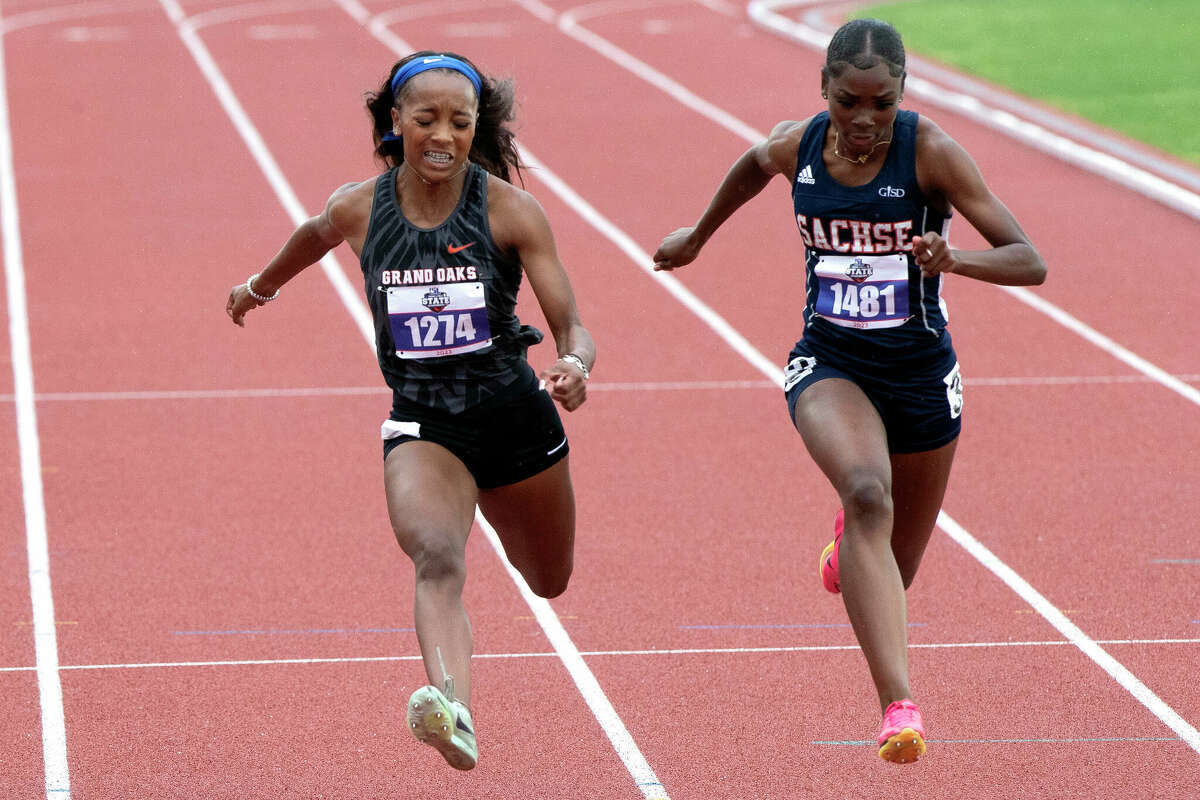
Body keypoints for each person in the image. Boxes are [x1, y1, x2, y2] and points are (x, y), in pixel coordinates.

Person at [653, 18, 1045, 763]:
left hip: (923, 378)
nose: (863, 122)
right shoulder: (796, 145)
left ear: (902, 95)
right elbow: (751, 164)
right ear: (822, 91)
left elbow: (1030, 260)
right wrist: (698, 236)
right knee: (868, 491)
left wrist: (951, 258)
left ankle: (848, 550)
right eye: (847, 103)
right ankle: (899, 708)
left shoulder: (929, 152)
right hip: (829, 363)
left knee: (895, 571)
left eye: (881, 104)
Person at [226, 51, 595, 771]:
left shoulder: (511, 211)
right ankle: (451, 706)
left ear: (473, 129)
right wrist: (258, 287)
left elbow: (571, 324)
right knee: (436, 555)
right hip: (426, 422)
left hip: (516, 417)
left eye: (460, 122)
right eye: (426, 119)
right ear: (396, 121)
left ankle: (463, 674)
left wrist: (576, 365)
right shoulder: (361, 206)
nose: (443, 135)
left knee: (549, 580)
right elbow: (314, 234)